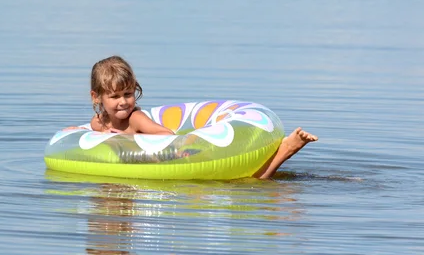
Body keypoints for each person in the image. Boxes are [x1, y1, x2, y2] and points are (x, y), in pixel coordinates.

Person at [82, 55, 318, 179]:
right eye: (114, 96)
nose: (123, 101)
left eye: (128, 94)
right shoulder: (98, 123)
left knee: (245, 185)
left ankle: (284, 151)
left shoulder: (136, 119)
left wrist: (128, 141)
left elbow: (168, 135)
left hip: (170, 162)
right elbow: (83, 137)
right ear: (97, 97)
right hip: (134, 173)